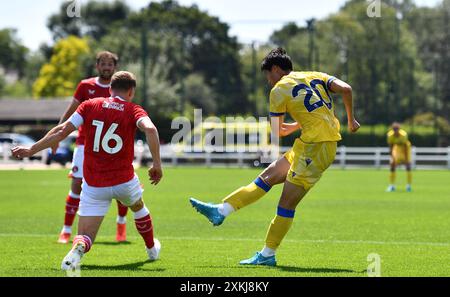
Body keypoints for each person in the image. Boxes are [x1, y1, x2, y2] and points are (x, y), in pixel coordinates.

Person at [189, 48, 360, 266]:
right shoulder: (314, 75)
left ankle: (268, 254)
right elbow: (346, 89)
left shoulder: (279, 90)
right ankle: (221, 210)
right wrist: (351, 120)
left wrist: (296, 125)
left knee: (286, 205)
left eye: (268, 75)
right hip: (309, 143)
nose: (269, 81)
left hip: (315, 148)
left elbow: (278, 131)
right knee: (267, 177)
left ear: (277, 69)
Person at [12, 71, 163, 270]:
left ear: (110, 89)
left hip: (94, 185)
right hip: (124, 181)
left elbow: (61, 130)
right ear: (131, 91)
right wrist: (157, 164)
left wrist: (32, 149)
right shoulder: (133, 109)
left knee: (85, 236)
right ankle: (152, 249)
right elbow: (151, 129)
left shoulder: (90, 105)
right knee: (138, 206)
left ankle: (78, 249)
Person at [54, 51, 131, 244]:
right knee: (76, 186)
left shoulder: (118, 89)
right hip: (84, 144)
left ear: (115, 67)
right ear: (97, 66)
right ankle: (66, 230)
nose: (106, 67)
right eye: (103, 64)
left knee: (122, 186)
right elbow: (70, 112)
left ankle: (121, 223)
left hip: (113, 148)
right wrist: (57, 134)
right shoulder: (85, 86)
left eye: (110, 64)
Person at [386, 122, 412, 192]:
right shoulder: (390, 135)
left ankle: (408, 186)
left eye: (397, 129)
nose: (395, 131)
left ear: (399, 129)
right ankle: (392, 186)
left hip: (405, 148)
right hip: (396, 148)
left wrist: (406, 159)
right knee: (392, 165)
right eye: (394, 129)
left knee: (408, 166)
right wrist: (391, 157)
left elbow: (405, 147)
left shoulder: (403, 135)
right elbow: (391, 146)